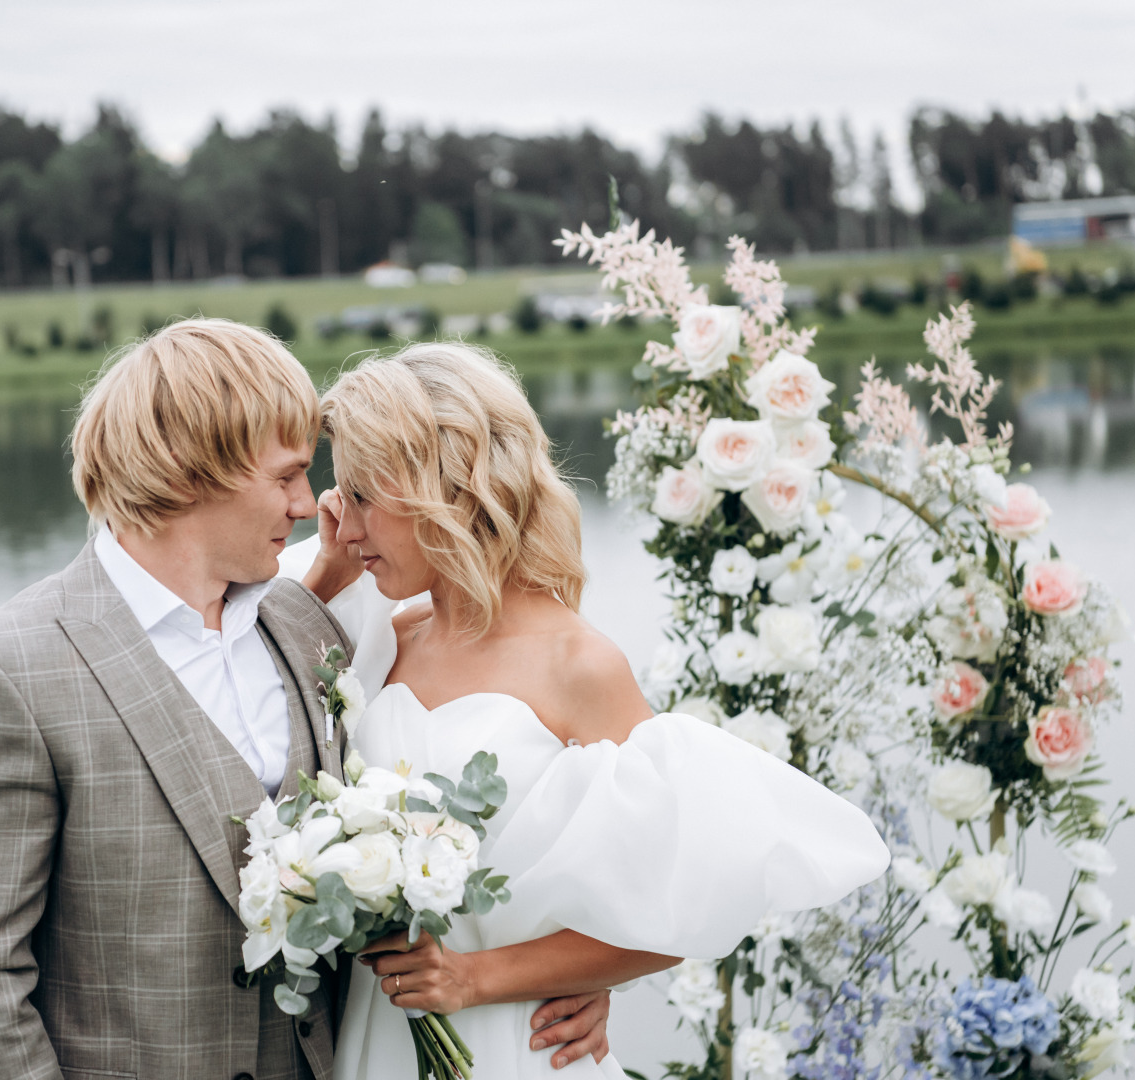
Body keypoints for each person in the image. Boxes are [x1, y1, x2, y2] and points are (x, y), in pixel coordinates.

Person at [0, 319, 615, 1080]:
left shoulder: (305, 625)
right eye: (284, 477)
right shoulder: (5, 671)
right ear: (188, 473)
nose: (308, 505)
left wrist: (554, 974)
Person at [286, 341, 892, 1079]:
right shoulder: (379, 637)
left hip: (513, 1044)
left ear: (446, 492)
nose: (345, 529)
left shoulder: (578, 664)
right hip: (371, 1038)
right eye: (340, 497)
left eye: (364, 499)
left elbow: (676, 899)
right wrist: (322, 575)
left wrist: (480, 978)